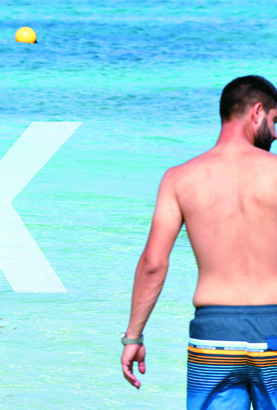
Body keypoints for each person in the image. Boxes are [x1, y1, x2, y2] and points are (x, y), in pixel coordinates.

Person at [120, 75, 277, 409]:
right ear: (257, 112)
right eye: (275, 121)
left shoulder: (180, 178)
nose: (275, 133)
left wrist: (133, 336)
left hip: (213, 333)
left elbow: (153, 265)